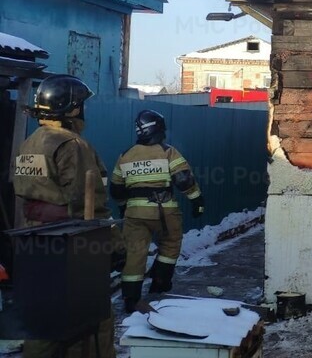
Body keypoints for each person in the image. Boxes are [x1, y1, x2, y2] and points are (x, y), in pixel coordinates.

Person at [13, 74, 116, 358]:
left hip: (33, 241)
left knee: (43, 321)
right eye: (81, 105)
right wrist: (111, 246)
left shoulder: (30, 142)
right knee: (96, 321)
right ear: (71, 109)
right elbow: (89, 203)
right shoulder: (72, 144)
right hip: (72, 245)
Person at [110, 110, 204, 313]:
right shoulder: (167, 151)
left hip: (134, 214)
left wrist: (123, 206)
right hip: (164, 212)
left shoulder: (125, 155)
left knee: (134, 253)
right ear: (158, 129)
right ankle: (159, 287)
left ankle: (130, 299)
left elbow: (116, 187)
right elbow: (183, 180)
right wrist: (196, 200)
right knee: (170, 245)